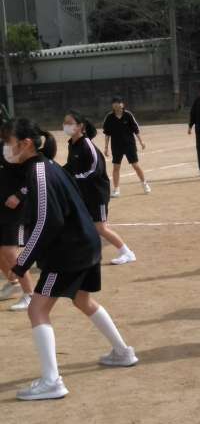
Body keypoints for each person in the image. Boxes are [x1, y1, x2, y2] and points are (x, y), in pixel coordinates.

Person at [3, 118, 138, 401]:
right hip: (85, 244)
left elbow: (46, 221)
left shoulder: (39, 171)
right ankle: (123, 352)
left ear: (25, 144)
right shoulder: (47, 165)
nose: (5, 147)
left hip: (69, 251)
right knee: (82, 300)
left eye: (7, 142)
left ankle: (52, 381)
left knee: (37, 310)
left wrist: (22, 263)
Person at [63, 110, 136, 265]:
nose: (65, 125)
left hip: (97, 194)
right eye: (65, 122)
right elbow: (70, 166)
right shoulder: (72, 144)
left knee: (100, 228)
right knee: (79, 224)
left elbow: (95, 169)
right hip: (84, 193)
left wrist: (75, 178)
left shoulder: (87, 144)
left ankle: (127, 252)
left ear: (80, 126)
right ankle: (81, 253)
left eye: (69, 123)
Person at [0, 139, 34, 310]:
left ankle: (30, 294)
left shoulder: (11, 149)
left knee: (10, 250)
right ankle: (13, 282)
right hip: (2, 207)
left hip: (16, 210)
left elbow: (30, 177)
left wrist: (19, 195)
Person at [103, 97, 151, 197]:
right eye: (114, 103)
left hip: (129, 145)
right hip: (116, 146)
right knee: (116, 167)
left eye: (118, 103)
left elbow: (136, 130)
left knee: (135, 165)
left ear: (122, 104)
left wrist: (141, 142)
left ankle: (145, 184)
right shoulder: (109, 117)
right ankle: (116, 189)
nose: (116, 105)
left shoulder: (128, 115)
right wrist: (106, 147)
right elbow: (107, 134)